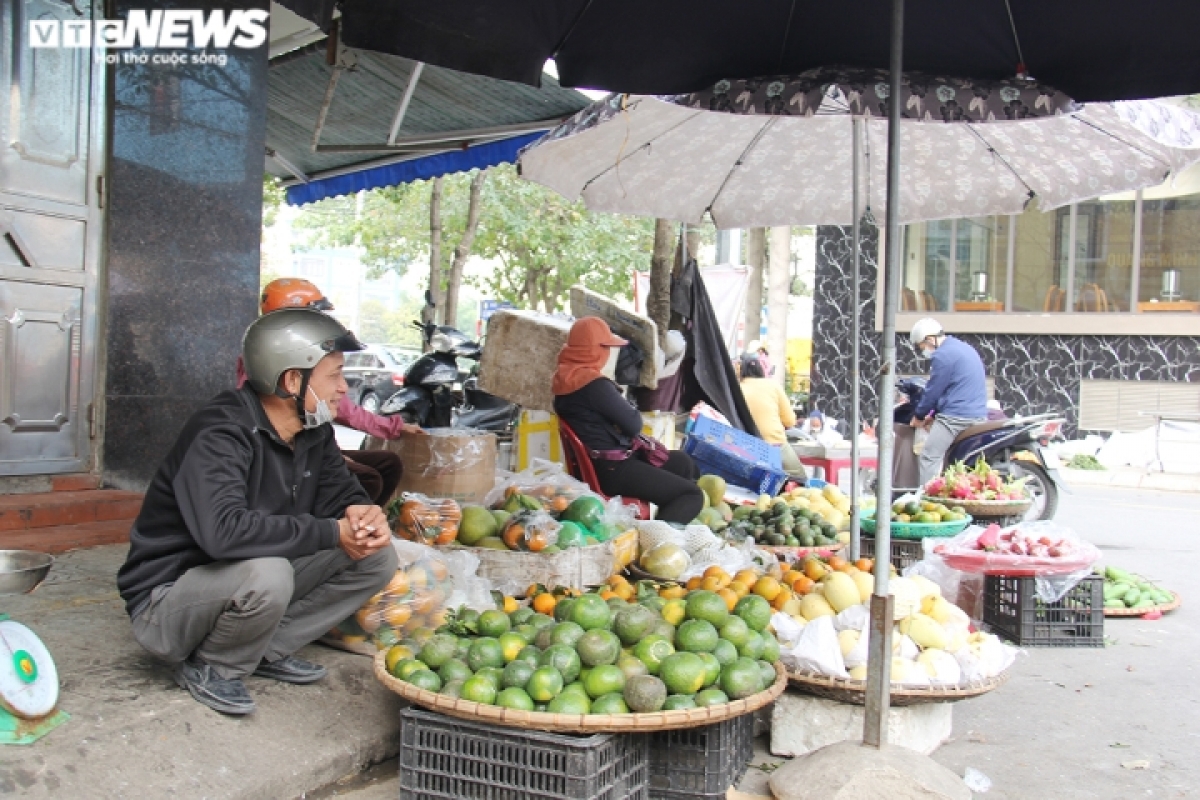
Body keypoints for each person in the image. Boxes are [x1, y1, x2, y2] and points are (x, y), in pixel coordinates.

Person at [118, 309, 399, 716]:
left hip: (240, 580)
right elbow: (224, 533)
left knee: (377, 556)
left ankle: (265, 649)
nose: (344, 388)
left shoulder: (312, 428)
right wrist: (332, 533)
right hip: (165, 602)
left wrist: (362, 514)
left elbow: (342, 492)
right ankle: (214, 665)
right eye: (334, 375)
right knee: (268, 571)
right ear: (291, 380)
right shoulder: (220, 432)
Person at [244, 278, 420, 506]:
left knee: (385, 465)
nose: (343, 386)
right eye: (315, 317)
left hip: (309, 446)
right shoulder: (225, 431)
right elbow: (226, 527)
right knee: (366, 479)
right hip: (288, 452)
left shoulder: (319, 421)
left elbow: (344, 410)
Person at [553, 317, 705, 524]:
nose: (608, 354)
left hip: (601, 464)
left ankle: (671, 520)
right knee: (692, 496)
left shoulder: (565, 380)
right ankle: (655, 541)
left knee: (682, 463)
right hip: (613, 469)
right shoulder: (594, 386)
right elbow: (634, 424)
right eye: (605, 348)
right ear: (595, 350)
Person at [909, 317, 989, 486]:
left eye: (922, 347)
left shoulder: (942, 355)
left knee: (929, 456)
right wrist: (934, 414)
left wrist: (919, 415)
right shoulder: (964, 348)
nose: (924, 351)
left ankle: (925, 499)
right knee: (958, 463)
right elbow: (953, 389)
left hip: (956, 419)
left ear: (930, 339)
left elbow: (933, 390)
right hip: (978, 415)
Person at [738, 355, 807, 480]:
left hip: (745, 449)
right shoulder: (773, 386)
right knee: (800, 478)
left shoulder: (737, 389)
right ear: (761, 371)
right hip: (775, 445)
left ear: (741, 372)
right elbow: (790, 420)